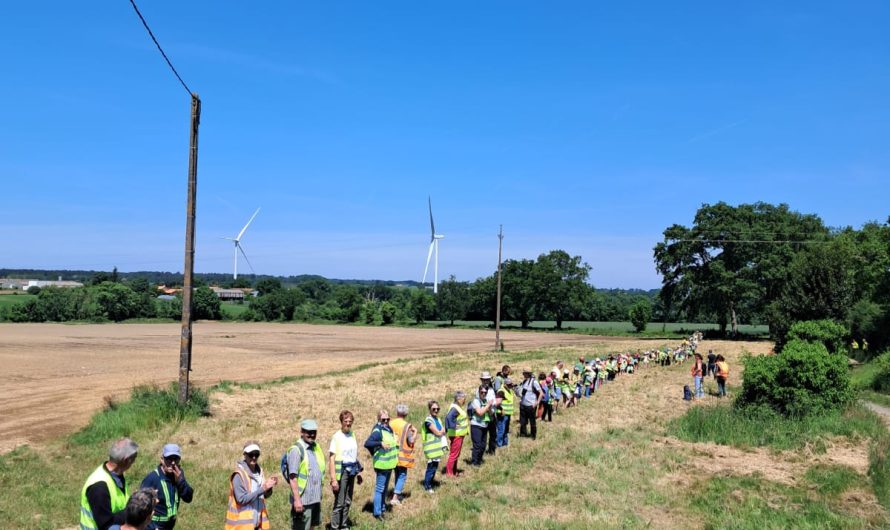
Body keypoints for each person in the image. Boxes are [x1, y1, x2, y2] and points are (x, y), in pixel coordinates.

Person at [81, 437, 139, 530]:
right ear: (126, 460)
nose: (134, 462)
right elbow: (105, 523)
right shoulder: (99, 487)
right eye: (134, 458)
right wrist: (133, 510)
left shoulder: (116, 474)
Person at [140, 443, 194, 530]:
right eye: (169, 459)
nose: (173, 463)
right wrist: (152, 527)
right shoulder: (152, 478)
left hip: (169, 525)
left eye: (176, 459)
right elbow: (141, 508)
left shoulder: (178, 474)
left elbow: (188, 498)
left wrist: (180, 481)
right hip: (155, 526)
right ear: (162, 459)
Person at [225, 441, 276, 530]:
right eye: (251, 454)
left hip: (257, 525)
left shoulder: (259, 472)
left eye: (256, 454)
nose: (254, 457)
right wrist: (263, 489)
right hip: (241, 526)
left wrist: (268, 488)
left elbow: (264, 496)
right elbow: (241, 499)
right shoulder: (238, 475)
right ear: (244, 455)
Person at [285, 419, 325, 530]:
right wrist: (297, 500)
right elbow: (293, 477)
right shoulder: (296, 450)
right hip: (303, 500)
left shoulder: (315, 447)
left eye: (314, 432)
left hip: (315, 498)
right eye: (308, 432)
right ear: (302, 432)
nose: (312, 435)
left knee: (312, 526)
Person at [329, 411, 361, 530]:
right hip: (341, 473)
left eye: (350, 421)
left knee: (348, 501)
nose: (348, 423)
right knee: (340, 502)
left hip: (352, 471)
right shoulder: (336, 437)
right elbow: (331, 459)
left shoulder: (352, 435)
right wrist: (333, 480)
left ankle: (343, 525)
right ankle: (334, 527)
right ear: (341, 422)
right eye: (345, 421)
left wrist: (358, 473)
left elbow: (353, 455)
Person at [364, 410, 397, 521]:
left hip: (389, 464)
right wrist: (379, 444)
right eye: (383, 419)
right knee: (380, 489)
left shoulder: (388, 429)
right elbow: (367, 443)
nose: (386, 421)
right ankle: (377, 513)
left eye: (388, 419)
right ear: (379, 419)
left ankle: (382, 508)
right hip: (382, 465)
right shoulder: (378, 430)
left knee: (385, 489)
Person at [389, 404, 417, 506]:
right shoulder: (406, 426)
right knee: (402, 475)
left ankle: (398, 492)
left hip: (391, 453)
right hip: (402, 455)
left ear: (397, 412)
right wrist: (415, 432)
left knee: (397, 473)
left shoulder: (390, 423)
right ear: (406, 414)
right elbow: (411, 440)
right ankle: (395, 497)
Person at [421, 400, 447, 492]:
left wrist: (441, 431)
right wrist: (441, 431)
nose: (436, 410)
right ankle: (427, 486)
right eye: (434, 409)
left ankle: (430, 483)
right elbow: (438, 433)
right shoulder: (428, 421)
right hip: (431, 449)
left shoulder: (438, 419)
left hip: (437, 448)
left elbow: (443, 430)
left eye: (437, 409)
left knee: (435, 467)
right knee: (431, 468)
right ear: (429, 409)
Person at [444, 391, 468, 477]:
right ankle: (449, 474)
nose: (464, 400)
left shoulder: (456, 407)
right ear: (458, 399)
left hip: (458, 434)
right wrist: (453, 426)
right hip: (456, 435)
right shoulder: (455, 408)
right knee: (454, 454)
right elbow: (448, 417)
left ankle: (454, 471)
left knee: (456, 454)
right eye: (463, 398)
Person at [468, 384, 492, 466]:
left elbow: (490, 414)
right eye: (482, 392)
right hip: (476, 425)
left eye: (485, 392)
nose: (483, 394)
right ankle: (474, 463)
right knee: (477, 445)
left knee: (483, 446)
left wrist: (489, 408)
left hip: (484, 425)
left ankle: (479, 460)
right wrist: (488, 406)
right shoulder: (475, 401)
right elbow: (480, 413)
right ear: (479, 392)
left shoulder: (486, 401)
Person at [518, 369, 543, 439]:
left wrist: (537, 402)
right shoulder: (524, 381)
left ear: (528, 373)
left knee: (532, 421)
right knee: (522, 421)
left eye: (524, 373)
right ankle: (523, 435)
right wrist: (521, 400)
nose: (523, 374)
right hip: (523, 405)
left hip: (531, 406)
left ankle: (533, 436)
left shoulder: (534, 382)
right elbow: (523, 393)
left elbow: (541, 393)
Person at [479, 372, 499, 455]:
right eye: (484, 380)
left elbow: (494, 401)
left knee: (493, 434)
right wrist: (489, 406)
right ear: (481, 380)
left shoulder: (491, 389)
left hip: (492, 414)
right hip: (484, 415)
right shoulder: (479, 390)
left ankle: (491, 451)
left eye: (488, 379)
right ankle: (481, 451)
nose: (486, 381)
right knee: (483, 435)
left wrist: (492, 404)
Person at [495, 378, 514, 447]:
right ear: (505, 384)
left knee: (506, 429)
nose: (510, 386)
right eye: (508, 385)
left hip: (508, 414)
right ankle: (499, 444)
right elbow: (497, 403)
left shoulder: (509, 390)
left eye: (510, 384)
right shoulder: (501, 391)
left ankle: (505, 443)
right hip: (502, 414)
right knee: (501, 430)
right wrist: (501, 409)